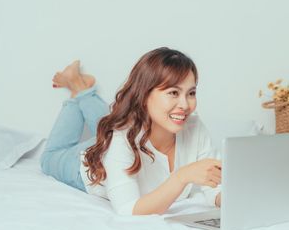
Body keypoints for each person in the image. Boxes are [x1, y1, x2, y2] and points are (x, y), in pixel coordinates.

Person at [40, 47, 222, 215]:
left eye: (191, 93)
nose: (185, 105)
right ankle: (77, 85)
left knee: (110, 123)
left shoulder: (193, 126)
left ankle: (84, 89)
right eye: (173, 93)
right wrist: (181, 177)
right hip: (86, 164)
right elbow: (128, 209)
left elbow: (216, 185)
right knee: (49, 158)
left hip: (124, 134)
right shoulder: (120, 138)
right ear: (144, 95)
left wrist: (232, 199)